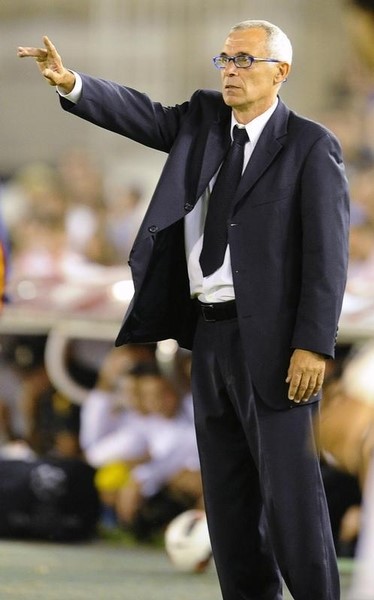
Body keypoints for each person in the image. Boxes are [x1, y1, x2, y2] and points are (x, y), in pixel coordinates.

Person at [18, 19, 350, 600]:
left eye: (244, 60)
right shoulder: (202, 118)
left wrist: (314, 344)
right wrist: (71, 81)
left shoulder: (310, 145)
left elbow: (328, 255)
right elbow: (141, 114)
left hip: (275, 345)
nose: (230, 70)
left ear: (281, 72)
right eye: (224, 59)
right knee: (227, 500)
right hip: (209, 336)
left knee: (291, 497)